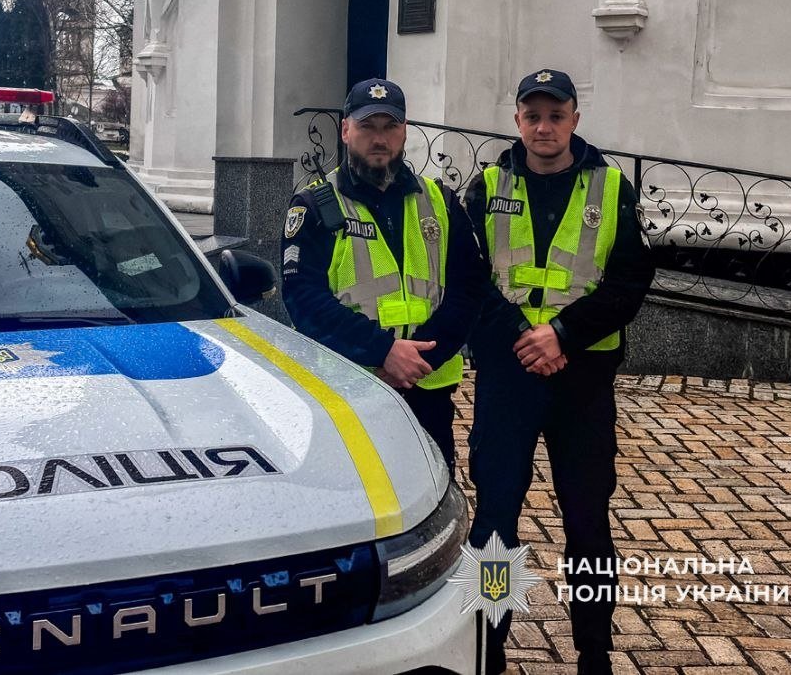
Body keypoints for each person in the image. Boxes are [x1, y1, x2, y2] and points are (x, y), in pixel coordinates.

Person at [464, 69, 655, 675]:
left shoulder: (611, 185)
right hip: (509, 374)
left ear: (575, 118)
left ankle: (593, 652)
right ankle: (489, 643)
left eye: (556, 115)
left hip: (582, 377)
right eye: (532, 116)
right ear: (517, 120)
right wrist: (525, 337)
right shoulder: (486, 185)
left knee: (588, 521)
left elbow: (631, 280)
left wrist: (564, 334)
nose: (544, 127)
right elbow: (465, 279)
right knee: (495, 518)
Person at [281, 78, 487, 474]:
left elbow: (468, 286)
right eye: (367, 126)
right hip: (351, 386)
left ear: (405, 130)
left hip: (427, 386)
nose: (379, 139)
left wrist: (418, 358)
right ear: (345, 130)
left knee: (430, 492)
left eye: (390, 126)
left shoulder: (439, 200)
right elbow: (304, 299)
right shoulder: (316, 204)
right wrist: (384, 352)